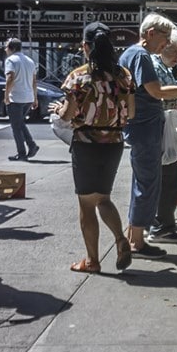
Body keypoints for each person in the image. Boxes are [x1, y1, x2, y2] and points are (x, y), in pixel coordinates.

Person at [119, 14, 177, 259]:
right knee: (147, 184)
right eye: (164, 39)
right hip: (145, 128)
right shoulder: (141, 56)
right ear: (150, 33)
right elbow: (156, 91)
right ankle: (137, 242)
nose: (165, 45)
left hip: (142, 127)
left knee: (144, 183)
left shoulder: (133, 54)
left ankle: (134, 236)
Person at [49, 22, 134, 274]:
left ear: (85, 46)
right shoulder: (124, 76)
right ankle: (120, 239)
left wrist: (59, 110)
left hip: (86, 144)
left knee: (87, 204)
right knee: (104, 198)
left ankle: (92, 260)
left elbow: (68, 115)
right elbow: (131, 113)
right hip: (115, 144)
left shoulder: (78, 76)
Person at [149, 29, 177, 243]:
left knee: (171, 180)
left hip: (169, 132)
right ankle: (160, 226)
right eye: (175, 52)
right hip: (161, 132)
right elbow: (161, 98)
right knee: (165, 180)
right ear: (163, 46)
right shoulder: (156, 67)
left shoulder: (164, 67)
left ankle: (164, 224)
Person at [4, 37, 39, 161]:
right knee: (20, 123)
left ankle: (22, 153)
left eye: (6, 47)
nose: (5, 49)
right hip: (28, 97)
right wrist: (35, 98)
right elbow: (34, 81)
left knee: (16, 127)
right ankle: (31, 145)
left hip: (16, 97)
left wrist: (6, 95)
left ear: (12, 48)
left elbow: (10, 78)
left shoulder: (11, 60)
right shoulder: (30, 60)